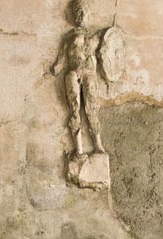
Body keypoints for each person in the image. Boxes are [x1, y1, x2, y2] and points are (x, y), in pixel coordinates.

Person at [50, 0, 106, 157]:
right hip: (73, 74)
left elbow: (105, 51)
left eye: (83, 12)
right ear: (73, 15)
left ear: (88, 14)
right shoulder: (69, 39)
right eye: (77, 12)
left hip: (88, 74)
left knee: (91, 109)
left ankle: (98, 145)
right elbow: (59, 62)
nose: (80, 15)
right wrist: (55, 67)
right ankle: (79, 149)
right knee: (75, 110)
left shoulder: (94, 37)